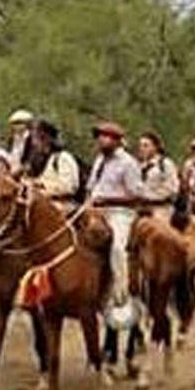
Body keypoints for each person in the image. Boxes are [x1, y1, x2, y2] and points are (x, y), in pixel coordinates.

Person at [86, 121, 143, 329]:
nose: (101, 140)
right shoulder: (99, 161)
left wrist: (109, 201)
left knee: (118, 247)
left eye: (105, 136)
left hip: (120, 213)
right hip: (95, 210)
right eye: (100, 136)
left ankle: (121, 293)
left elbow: (137, 195)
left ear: (117, 141)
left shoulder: (128, 163)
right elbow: (92, 187)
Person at [25, 119, 82, 210]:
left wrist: (43, 187)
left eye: (36, 138)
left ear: (46, 138)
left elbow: (69, 187)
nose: (33, 143)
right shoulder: (41, 160)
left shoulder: (63, 158)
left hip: (63, 207)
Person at [138, 131, 180, 221]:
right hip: (142, 208)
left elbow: (173, 189)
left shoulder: (165, 164)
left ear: (155, 147)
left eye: (146, 145)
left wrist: (154, 197)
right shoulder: (140, 166)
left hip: (161, 209)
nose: (142, 149)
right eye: (141, 145)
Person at [7, 109, 36, 173]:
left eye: (19, 123)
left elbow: (30, 161)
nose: (16, 126)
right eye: (14, 123)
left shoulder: (31, 139)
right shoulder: (12, 139)